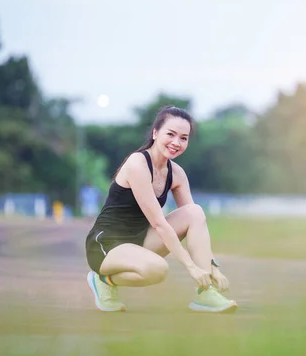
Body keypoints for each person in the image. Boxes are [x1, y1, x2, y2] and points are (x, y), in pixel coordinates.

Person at [84, 105, 237, 313]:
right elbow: (159, 223)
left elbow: (197, 225)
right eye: (171, 134)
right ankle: (103, 280)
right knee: (157, 269)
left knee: (195, 212)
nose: (176, 142)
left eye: (183, 138)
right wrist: (191, 267)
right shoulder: (137, 164)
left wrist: (212, 268)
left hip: (139, 239)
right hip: (106, 244)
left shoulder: (177, 174)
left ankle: (205, 293)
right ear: (155, 133)